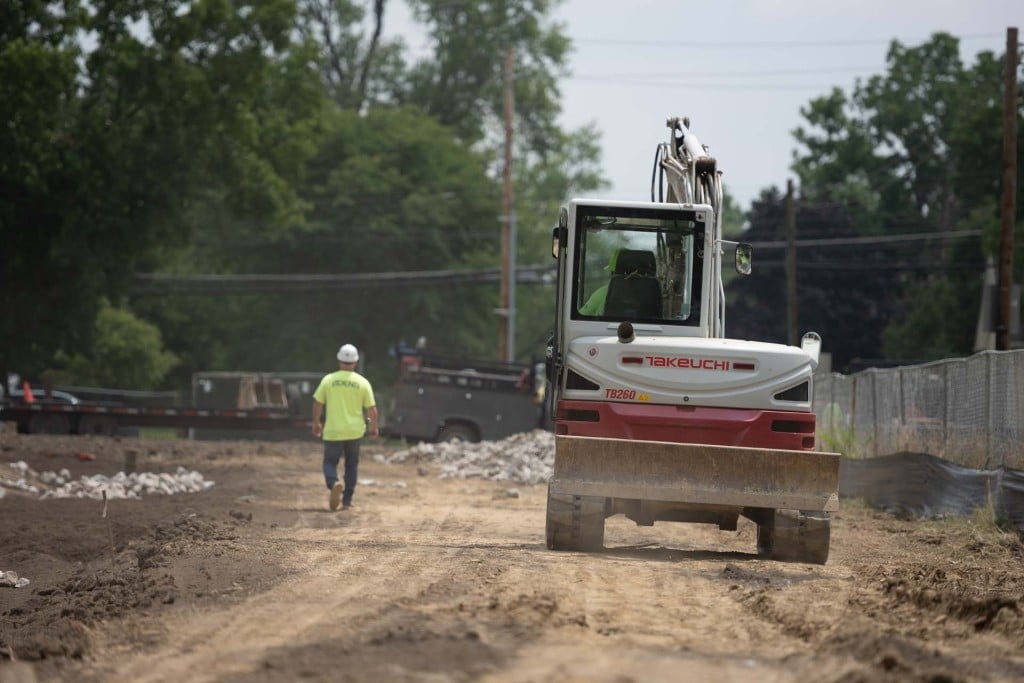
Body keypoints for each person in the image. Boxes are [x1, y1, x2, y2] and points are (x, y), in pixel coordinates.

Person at [312, 343, 378, 511]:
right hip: (354, 432)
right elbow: (372, 410)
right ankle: (347, 500)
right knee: (351, 465)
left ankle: (333, 482)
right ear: (355, 362)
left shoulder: (328, 380)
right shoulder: (362, 382)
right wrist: (373, 428)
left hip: (333, 431)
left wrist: (316, 423)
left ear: (339, 361)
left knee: (329, 462)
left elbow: (318, 403)